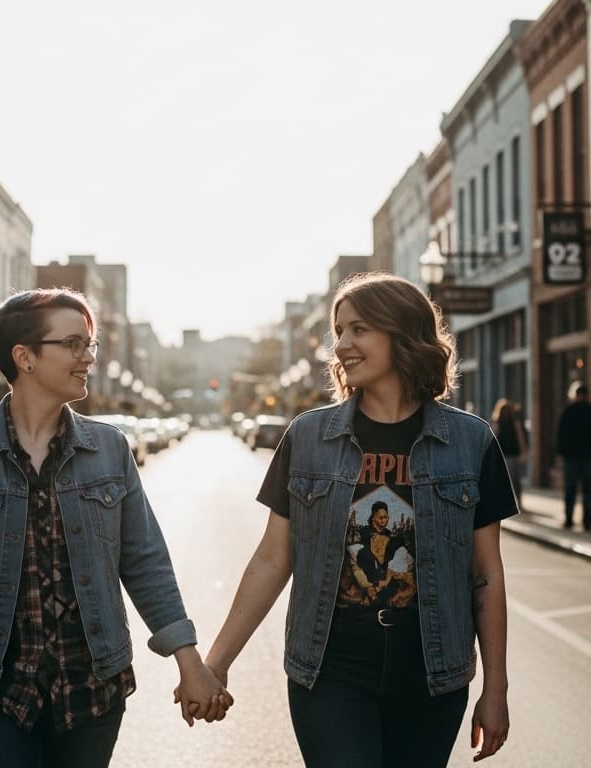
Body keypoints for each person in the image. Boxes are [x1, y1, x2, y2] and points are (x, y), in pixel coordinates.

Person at [0, 288, 229, 768]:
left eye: (89, 344)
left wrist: (189, 660)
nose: (88, 357)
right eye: (73, 344)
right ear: (25, 357)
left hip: (91, 688)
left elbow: (145, 562)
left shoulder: (109, 449)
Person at [204, 273, 515, 765]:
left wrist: (495, 689)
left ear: (403, 333)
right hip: (331, 668)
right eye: (339, 331)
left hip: (432, 671)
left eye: (359, 329)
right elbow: (271, 560)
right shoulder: (309, 438)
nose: (342, 345)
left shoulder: (470, 443)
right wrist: (217, 662)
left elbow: (486, 574)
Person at [556, 383, 591, 531]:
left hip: (572, 457)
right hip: (587, 456)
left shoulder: (568, 411)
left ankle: (569, 519)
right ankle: (587, 521)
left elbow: (561, 435)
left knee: (571, 489)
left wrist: (560, 454)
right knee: (587, 489)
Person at [492, 399, 527, 506]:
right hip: (509, 454)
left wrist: (523, 452)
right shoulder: (500, 421)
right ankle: (515, 503)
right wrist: (523, 452)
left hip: (508, 454)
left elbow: (494, 438)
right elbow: (520, 437)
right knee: (514, 479)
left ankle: (512, 503)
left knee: (510, 479)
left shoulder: (510, 421)